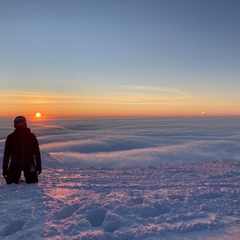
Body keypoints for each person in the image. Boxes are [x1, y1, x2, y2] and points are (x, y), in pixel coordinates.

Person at [2, 116, 42, 184]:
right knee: (10, 182)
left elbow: (36, 151)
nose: (20, 126)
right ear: (15, 125)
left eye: (22, 124)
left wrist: (38, 164)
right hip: (15, 163)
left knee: (33, 182)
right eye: (18, 124)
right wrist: (5, 168)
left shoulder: (31, 136)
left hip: (29, 162)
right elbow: (7, 153)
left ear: (25, 124)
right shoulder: (11, 137)